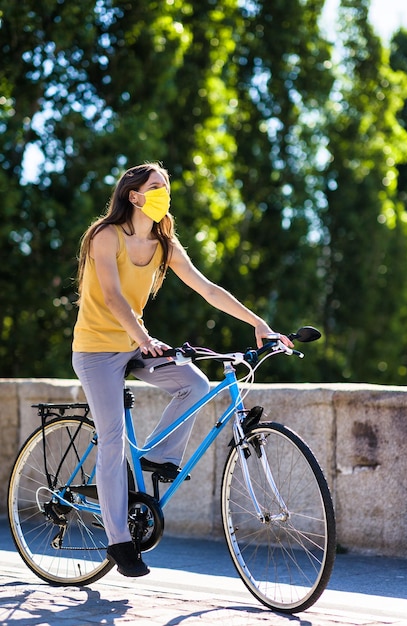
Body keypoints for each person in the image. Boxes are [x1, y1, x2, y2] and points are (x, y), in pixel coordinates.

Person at [72, 162, 293, 578]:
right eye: (156, 188)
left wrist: (258, 323)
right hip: (98, 350)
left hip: (135, 345)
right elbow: (114, 297)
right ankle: (119, 541)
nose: (164, 195)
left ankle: (156, 457)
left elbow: (209, 289)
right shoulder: (107, 236)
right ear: (134, 196)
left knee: (194, 383)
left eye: (166, 189)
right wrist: (142, 338)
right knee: (113, 438)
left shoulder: (163, 243)